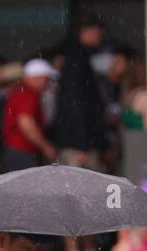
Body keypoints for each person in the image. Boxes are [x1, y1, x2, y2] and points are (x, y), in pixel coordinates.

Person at [51, 14, 108, 172]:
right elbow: (75, 101)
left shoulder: (78, 55)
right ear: (88, 31)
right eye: (98, 33)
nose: (100, 38)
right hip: (78, 144)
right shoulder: (77, 57)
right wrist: (80, 143)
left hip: (78, 140)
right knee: (81, 187)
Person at [0, 59, 59, 173]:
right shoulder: (27, 93)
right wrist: (46, 147)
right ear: (37, 77)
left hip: (18, 152)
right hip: (21, 153)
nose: (48, 83)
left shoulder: (22, 92)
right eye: (46, 79)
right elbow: (26, 123)